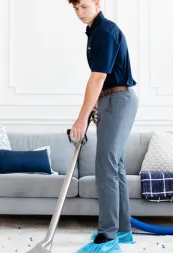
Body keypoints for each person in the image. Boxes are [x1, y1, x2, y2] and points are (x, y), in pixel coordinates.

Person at [67, 0, 139, 247]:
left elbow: (98, 77)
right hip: (110, 100)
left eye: (84, 6)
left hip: (119, 100)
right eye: (75, 8)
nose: (79, 13)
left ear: (97, 3)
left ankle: (107, 234)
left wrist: (81, 118)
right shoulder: (95, 32)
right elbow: (103, 78)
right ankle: (123, 231)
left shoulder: (106, 31)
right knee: (115, 165)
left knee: (105, 164)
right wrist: (97, 103)